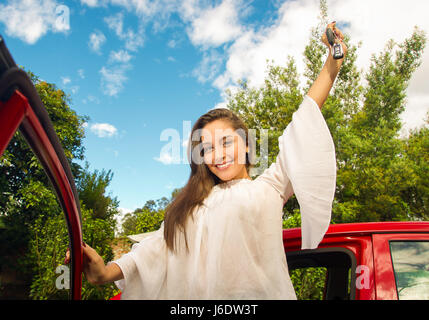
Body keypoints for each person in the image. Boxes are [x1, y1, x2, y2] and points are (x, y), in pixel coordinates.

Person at [65, 22, 347, 299]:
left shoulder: (270, 187)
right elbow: (154, 250)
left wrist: (331, 66)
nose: (218, 155)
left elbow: (302, 122)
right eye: (207, 147)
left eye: (226, 142)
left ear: (247, 144)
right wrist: (103, 272)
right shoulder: (190, 206)